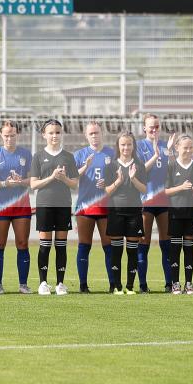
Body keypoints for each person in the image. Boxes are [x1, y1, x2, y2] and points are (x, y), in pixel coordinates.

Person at [29, 119, 79, 295]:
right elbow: (33, 184)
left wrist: (64, 179)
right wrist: (52, 177)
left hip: (63, 205)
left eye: (57, 132)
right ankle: (43, 283)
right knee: (45, 245)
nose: (54, 135)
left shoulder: (68, 157)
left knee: (61, 245)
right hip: (44, 205)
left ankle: (60, 284)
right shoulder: (37, 156)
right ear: (44, 135)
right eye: (50, 132)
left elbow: (75, 184)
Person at [0, 120, 33, 294]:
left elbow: (33, 180)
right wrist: (5, 183)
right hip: (1, 206)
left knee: (22, 243)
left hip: (21, 206)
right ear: (1, 135)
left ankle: (23, 284)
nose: (9, 139)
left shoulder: (26, 154)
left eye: (12, 135)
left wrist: (21, 181)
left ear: (17, 134)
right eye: (6, 136)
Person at [136, 113, 176, 293]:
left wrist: (171, 152)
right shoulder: (139, 146)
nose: (154, 129)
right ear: (144, 128)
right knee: (143, 243)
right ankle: (143, 285)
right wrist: (156, 155)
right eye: (151, 126)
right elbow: (139, 172)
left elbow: (175, 171)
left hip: (164, 201)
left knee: (166, 244)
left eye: (157, 126)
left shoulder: (165, 146)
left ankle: (169, 284)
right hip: (145, 201)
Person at [73, 121, 115, 293]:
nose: (94, 136)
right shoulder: (79, 155)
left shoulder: (112, 153)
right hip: (85, 207)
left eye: (97, 133)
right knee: (84, 245)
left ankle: (113, 284)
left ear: (102, 133)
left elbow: (121, 177)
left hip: (106, 206)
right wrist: (85, 166)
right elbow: (72, 180)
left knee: (109, 246)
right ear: (86, 135)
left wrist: (109, 181)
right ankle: (83, 285)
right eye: (91, 133)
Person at [104, 131, 147, 294]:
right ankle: (117, 287)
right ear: (118, 146)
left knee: (132, 250)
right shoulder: (111, 166)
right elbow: (107, 191)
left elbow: (144, 189)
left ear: (133, 146)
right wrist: (118, 181)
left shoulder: (139, 165)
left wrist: (133, 178)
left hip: (134, 213)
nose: (126, 147)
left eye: (129, 144)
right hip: (115, 212)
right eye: (123, 144)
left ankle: (129, 287)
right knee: (116, 250)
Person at [165, 134, 193, 295]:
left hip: (191, 213)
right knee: (175, 248)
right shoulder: (171, 166)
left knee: (188, 248)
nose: (188, 150)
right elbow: (166, 191)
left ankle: (189, 283)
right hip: (175, 213)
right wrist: (181, 187)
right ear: (177, 148)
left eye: (191, 148)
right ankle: (176, 283)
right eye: (185, 147)